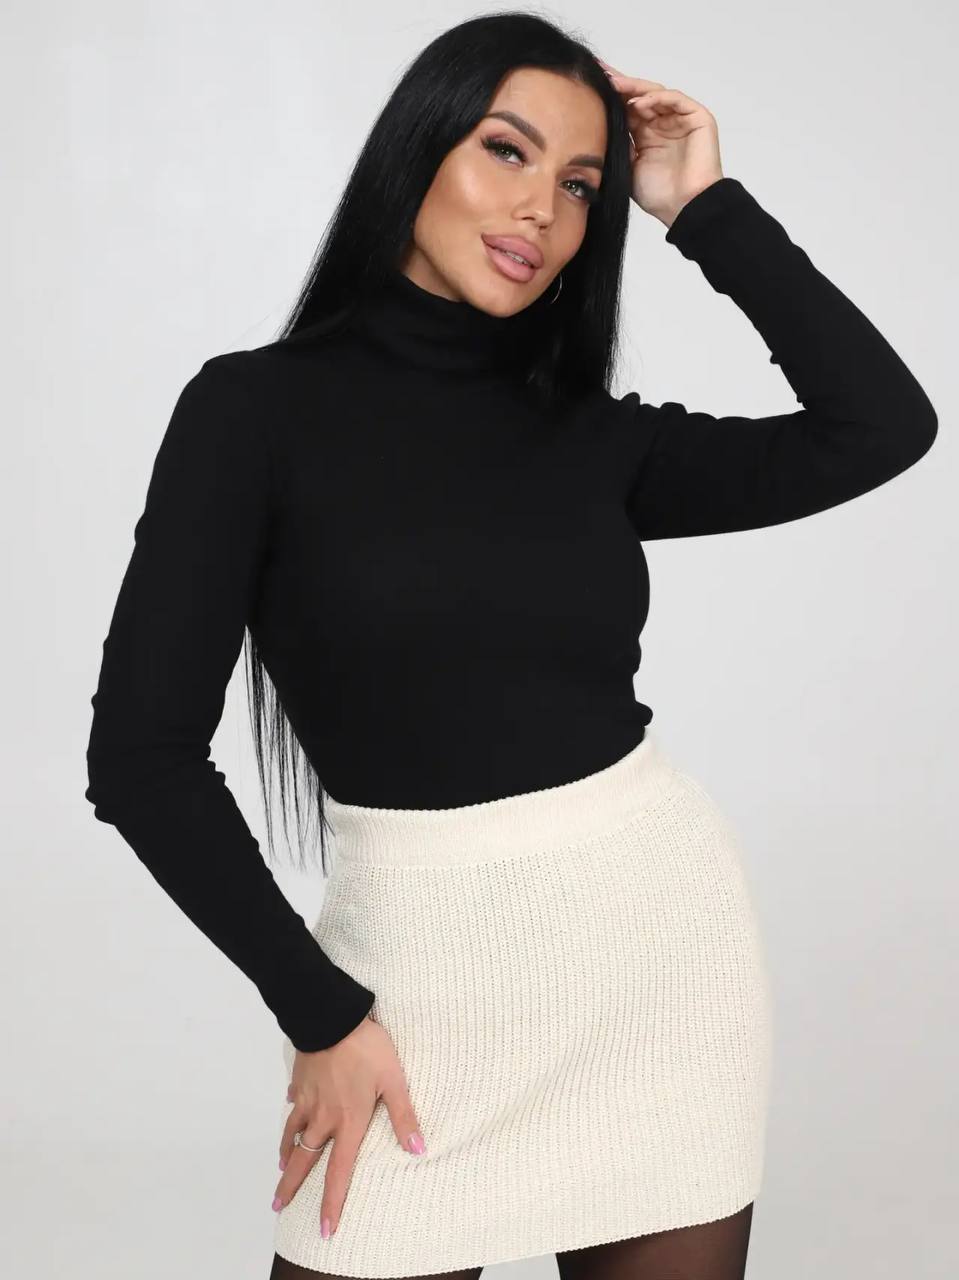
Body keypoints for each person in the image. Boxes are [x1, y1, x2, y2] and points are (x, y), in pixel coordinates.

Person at [84, 13, 937, 1280]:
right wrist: (320, 1011)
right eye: (505, 150)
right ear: (415, 151)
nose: (541, 207)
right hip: (402, 994)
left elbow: (880, 425)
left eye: (580, 184)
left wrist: (700, 206)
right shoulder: (250, 412)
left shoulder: (585, 433)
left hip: (655, 961)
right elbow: (140, 758)